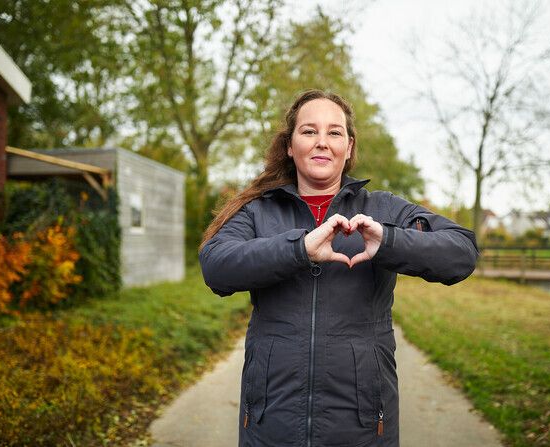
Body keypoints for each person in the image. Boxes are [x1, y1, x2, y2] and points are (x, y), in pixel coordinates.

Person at [198, 89, 479, 447]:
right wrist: (298, 250)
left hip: (363, 426)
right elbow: (216, 266)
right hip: (270, 423)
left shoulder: (383, 209)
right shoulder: (258, 211)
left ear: (349, 147)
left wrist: (388, 241)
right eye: (309, 131)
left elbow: (461, 252)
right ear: (289, 145)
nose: (322, 143)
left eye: (334, 133)